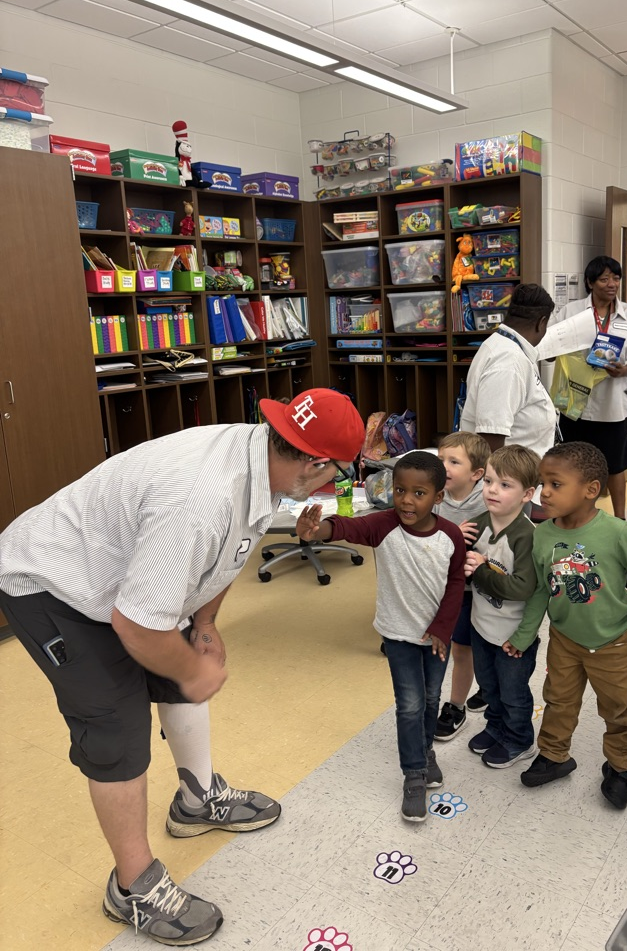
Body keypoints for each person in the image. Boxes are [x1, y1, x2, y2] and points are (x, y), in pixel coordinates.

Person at [0, 388, 364, 947]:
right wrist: (195, 671)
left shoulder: (261, 465)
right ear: (316, 462)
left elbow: (225, 560)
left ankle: (196, 801)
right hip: (51, 585)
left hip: (122, 578)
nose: (337, 484)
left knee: (176, 662)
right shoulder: (200, 498)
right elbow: (138, 626)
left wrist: (206, 626)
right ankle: (132, 887)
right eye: (339, 474)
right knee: (116, 724)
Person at [504, 442, 627, 809]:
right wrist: (524, 635)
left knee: (618, 708)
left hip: (614, 642)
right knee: (558, 700)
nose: (545, 493)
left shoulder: (617, 533)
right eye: (542, 484)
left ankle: (620, 766)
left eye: (555, 484)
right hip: (565, 639)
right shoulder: (542, 534)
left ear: (590, 490)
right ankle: (554, 756)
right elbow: (541, 590)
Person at [296, 451, 465, 823]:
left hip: (437, 639)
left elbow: (456, 584)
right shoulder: (385, 525)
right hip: (399, 635)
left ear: (438, 497)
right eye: (400, 490)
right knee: (410, 705)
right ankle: (415, 775)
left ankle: (424, 752)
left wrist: (442, 628)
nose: (406, 499)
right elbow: (348, 529)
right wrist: (318, 530)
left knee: (432, 698)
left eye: (419, 493)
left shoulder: (450, 536)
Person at [463, 445, 540, 769]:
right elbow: (455, 565)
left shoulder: (526, 536)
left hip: (513, 637)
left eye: (505, 485)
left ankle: (520, 739)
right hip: (482, 626)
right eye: (489, 481)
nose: (493, 490)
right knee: (489, 686)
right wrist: (455, 540)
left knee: (513, 692)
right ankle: (496, 727)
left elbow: (522, 588)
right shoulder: (478, 523)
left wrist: (481, 569)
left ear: (527, 494)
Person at [553, 256, 627, 519]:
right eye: (604, 279)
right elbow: (551, 343)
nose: (611, 284)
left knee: (615, 465)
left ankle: (620, 518)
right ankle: (574, 512)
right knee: (574, 464)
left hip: (613, 405)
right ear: (590, 283)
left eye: (616, 278)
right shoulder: (571, 311)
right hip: (576, 404)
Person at [433, 431, 491, 739]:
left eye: (454, 461)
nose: (443, 466)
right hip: (449, 587)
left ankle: (475, 694)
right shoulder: (435, 495)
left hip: (481, 587)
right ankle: (458, 705)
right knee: (461, 648)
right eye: (441, 459)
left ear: (477, 474)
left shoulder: (488, 496)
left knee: (480, 647)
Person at [460, 283, 557, 457]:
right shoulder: (508, 363)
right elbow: (491, 439)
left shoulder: (507, 346)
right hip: (510, 478)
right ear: (541, 323)